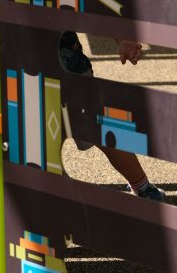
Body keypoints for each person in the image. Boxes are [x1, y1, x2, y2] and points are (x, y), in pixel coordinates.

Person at [59, 31, 166, 201]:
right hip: (22, 58)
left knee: (101, 127)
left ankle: (142, 185)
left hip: (68, 65)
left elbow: (91, 5)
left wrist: (120, 37)